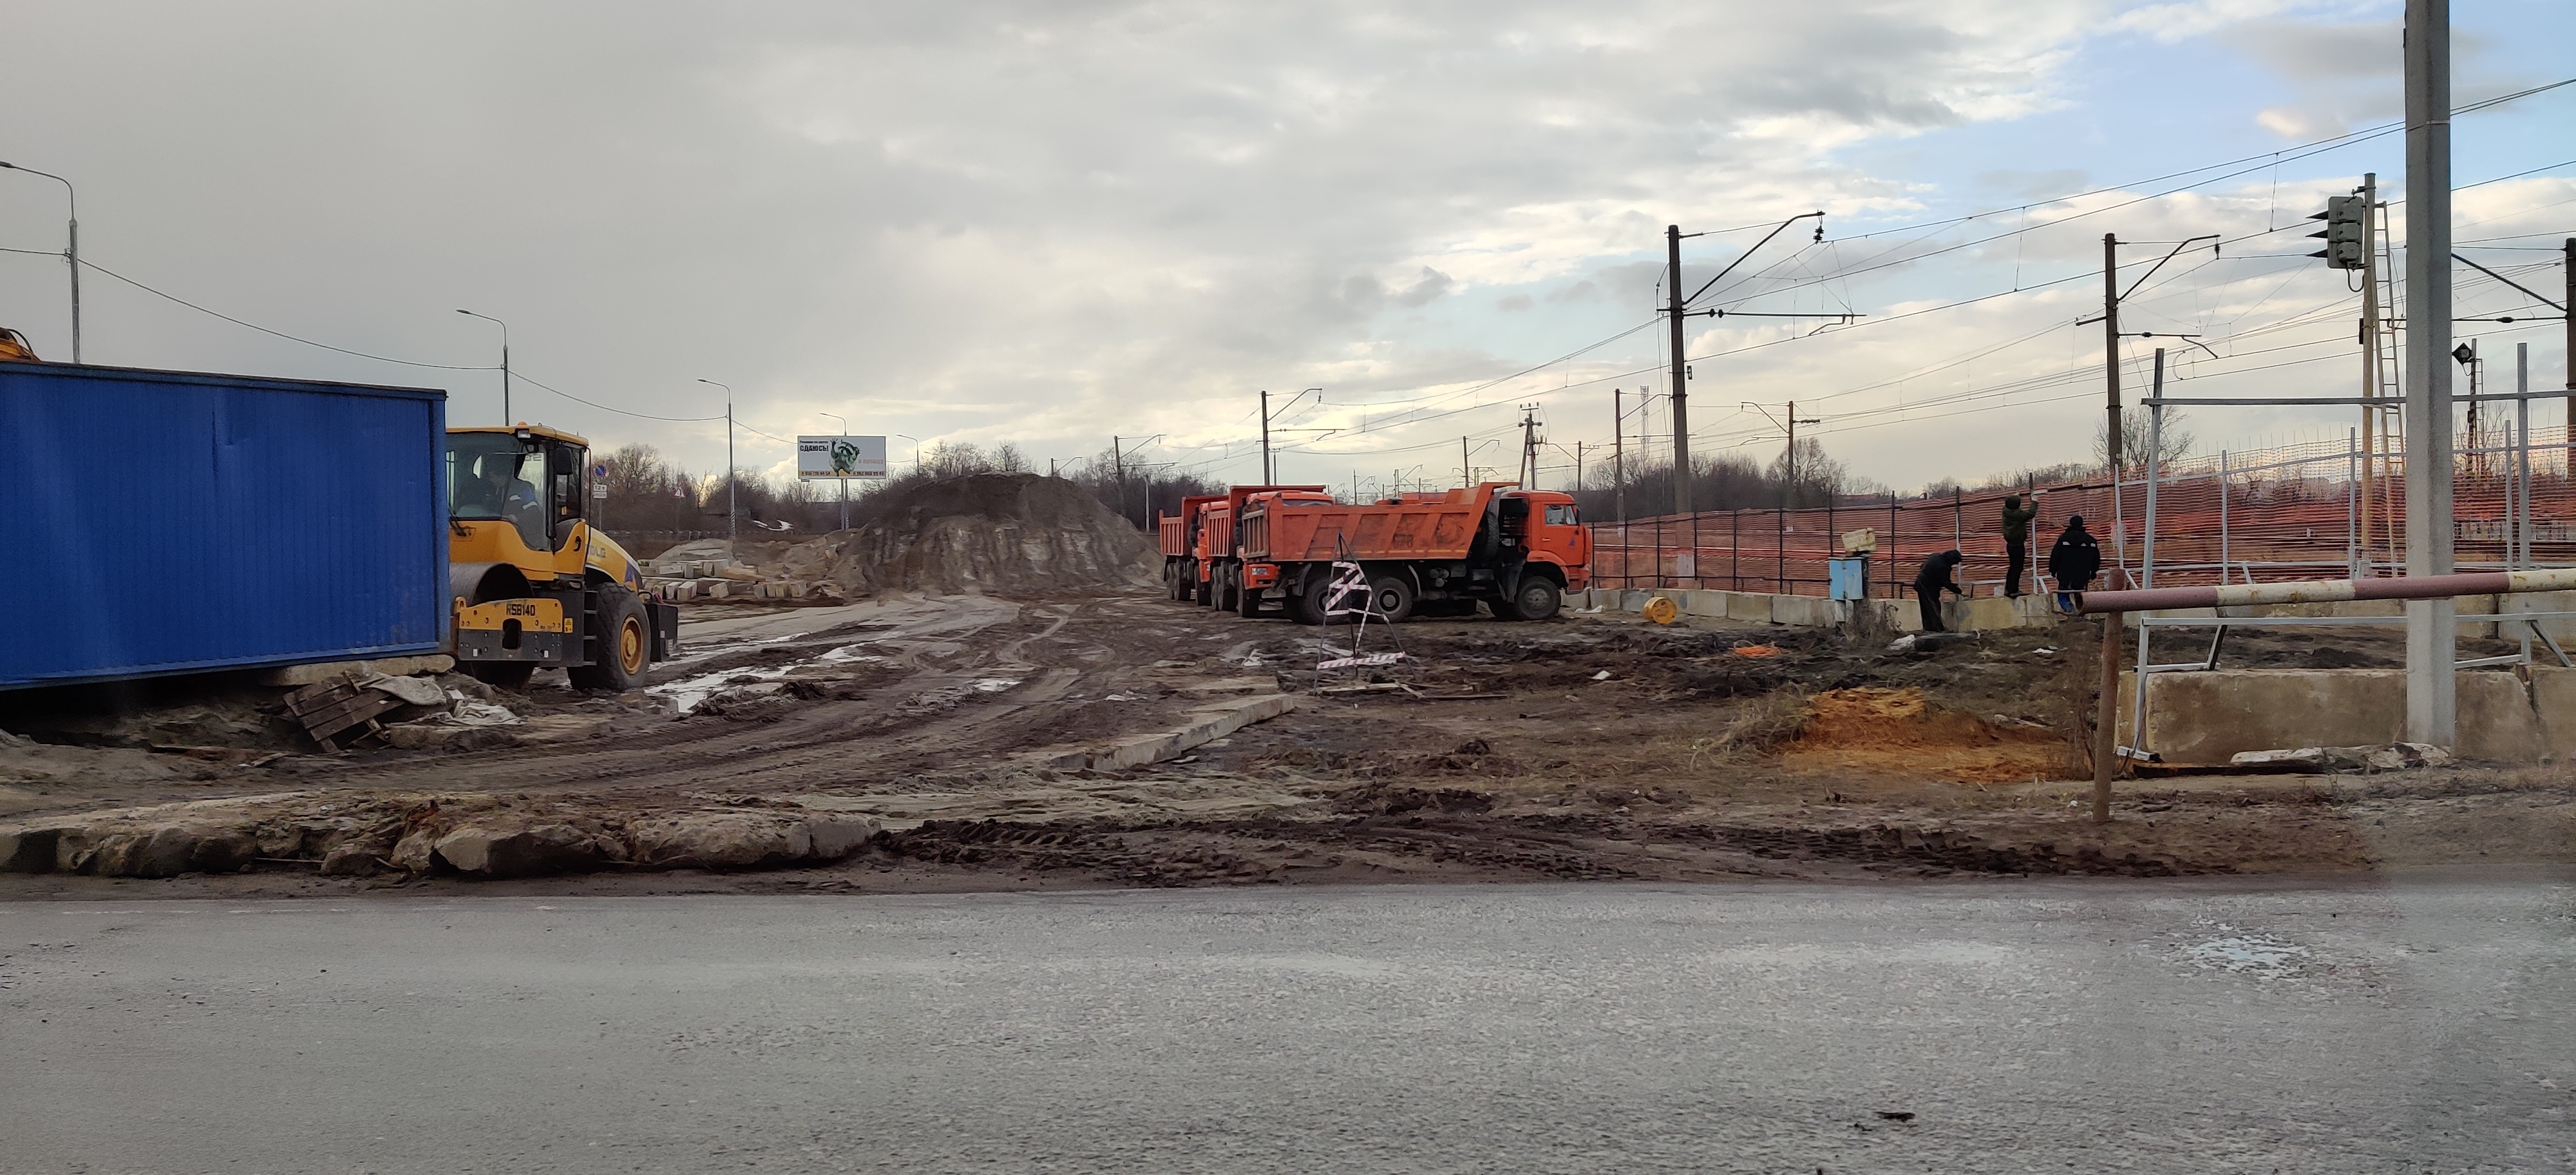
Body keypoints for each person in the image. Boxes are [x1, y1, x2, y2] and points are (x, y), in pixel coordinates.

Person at [2048, 515, 2102, 609]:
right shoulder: (2091, 541)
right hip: (2083, 574)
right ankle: (2081, 613)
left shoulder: (2063, 539)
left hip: (2065, 574)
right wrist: (2093, 572)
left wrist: (2053, 570)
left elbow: (2055, 556)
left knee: (2063, 595)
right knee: (2081, 595)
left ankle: (2069, 610)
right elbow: (2096, 559)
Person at [1912, 549, 1964, 633]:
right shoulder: (1943, 566)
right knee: (1933, 607)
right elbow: (1945, 582)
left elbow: (1923, 566)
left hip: (1920, 584)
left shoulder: (1936, 556)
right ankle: (1938, 629)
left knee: (1925, 608)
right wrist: (1959, 591)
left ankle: (1928, 628)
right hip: (1928, 587)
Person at [2000, 493, 2037, 598]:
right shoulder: (2017, 515)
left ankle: (2008, 589)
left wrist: (2015, 496)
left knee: (2013, 567)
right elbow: (2031, 514)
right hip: (2017, 545)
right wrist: (2034, 502)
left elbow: (2010, 503)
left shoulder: (2006, 511)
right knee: (2017, 568)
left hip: (2011, 544)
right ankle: (2014, 590)